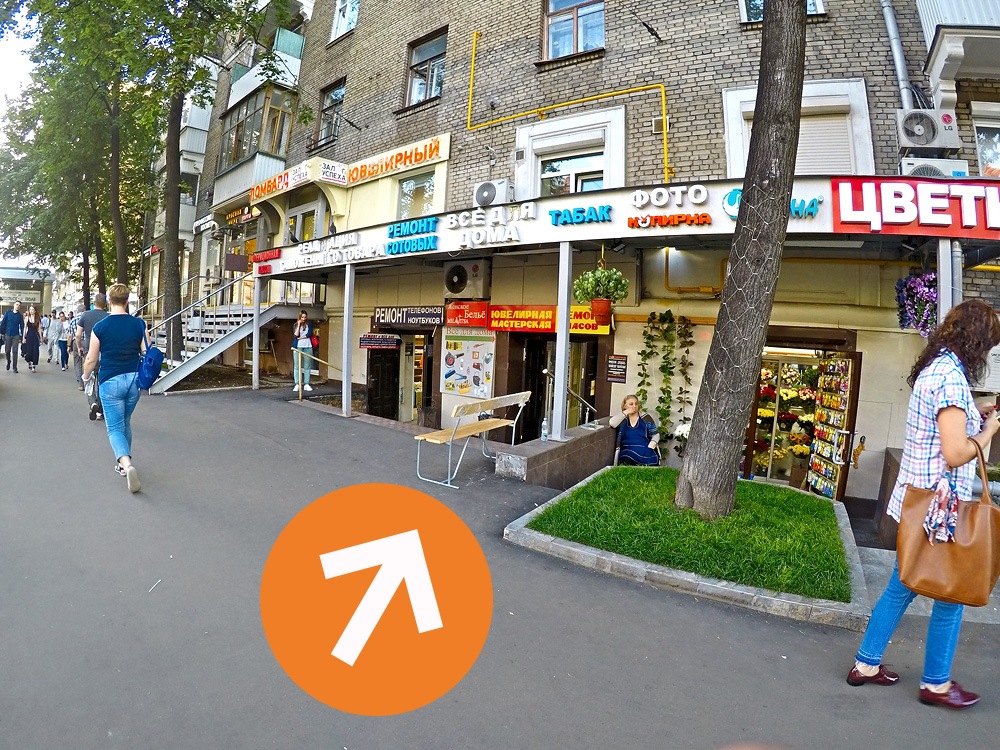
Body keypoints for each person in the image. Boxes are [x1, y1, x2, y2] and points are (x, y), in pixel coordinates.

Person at [846, 299, 1000, 710]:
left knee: (902, 585)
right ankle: (935, 685)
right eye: (989, 345)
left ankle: (865, 664)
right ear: (977, 341)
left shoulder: (937, 369)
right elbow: (955, 452)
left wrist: (975, 410)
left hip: (918, 503)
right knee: (951, 596)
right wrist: (988, 433)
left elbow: (940, 427)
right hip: (940, 510)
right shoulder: (952, 379)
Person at [83, 283, 147, 493]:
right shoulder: (139, 324)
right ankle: (122, 464)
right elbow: (146, 351)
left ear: (109, 301)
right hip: (133, 381)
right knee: (125, 421)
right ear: (127, 301)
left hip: (110, 381)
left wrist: (85, 376)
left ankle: (127, 465)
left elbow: (91, 359)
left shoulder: (101, 327)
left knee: (115, 428)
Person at [78, 293, 109, 420]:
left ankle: (92, 403)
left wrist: (79, 346)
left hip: (89, 352)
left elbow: (78, 334)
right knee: (101, 382)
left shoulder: (85, 315)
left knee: (89, 379)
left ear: (94, 303)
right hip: (104, 354)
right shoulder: (108, 317)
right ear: (105, 304)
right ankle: (100, 411)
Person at [609, 394, 661, 466]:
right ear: (625, 406)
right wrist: (626, 412)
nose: (634, 406)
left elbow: (655, 434)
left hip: (644, 449)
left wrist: (651, 446)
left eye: (636, 404)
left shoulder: (646, 418)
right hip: (627, 449)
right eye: (631, 404)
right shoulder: (622, 419)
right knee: (626, 459)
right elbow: (612, 423)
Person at [292, 310, 314, 392]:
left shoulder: (309, 324)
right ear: (299, 317)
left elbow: (309, 334)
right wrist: (298, 325)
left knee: (307, 366)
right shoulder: (295, 325)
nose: (304, 319)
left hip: (308, 346)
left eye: (305, 317)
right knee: (297, 366)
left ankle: (306, 384)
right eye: (302, 317)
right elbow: (295, 335)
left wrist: (301, 338)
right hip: (298, 346)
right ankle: (297, 384)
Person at [2, 300, 25, 373]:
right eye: (17, 304)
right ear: (14, 305)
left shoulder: (20, 316)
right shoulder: (8, 313)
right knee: (7, 351)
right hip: (8, 334)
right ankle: (8, 361)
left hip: (16, 335)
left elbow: (22, 327)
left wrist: (23, 337)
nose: (18, 306)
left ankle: (15, 367)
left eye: (19, 305)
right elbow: (3, 322)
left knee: (15, 351)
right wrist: (1, 332)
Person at [22, 304, 42, 372]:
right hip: (29, 336)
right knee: (29, 351)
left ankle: (34, 365)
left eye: (32, 309)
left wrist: (41, 338)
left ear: (35, 311)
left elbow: (39, 329)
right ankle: (29, 361)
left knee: (36, 351)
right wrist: (23, 337)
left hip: (35, 336)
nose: (31, 311)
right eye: (30, 309)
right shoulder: (27, 318)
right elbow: (25, 328)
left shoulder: (38, 318)